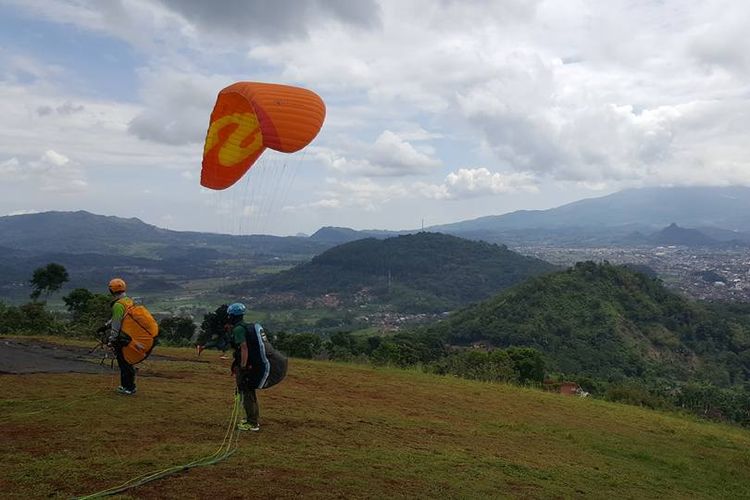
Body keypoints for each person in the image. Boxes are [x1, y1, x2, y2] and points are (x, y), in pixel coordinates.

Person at [227, 302, 267, 432]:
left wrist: (243, 367)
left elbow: (243, 348)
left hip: (246, 366)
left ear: (232, 316)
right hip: (251, 365)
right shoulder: (244, 326)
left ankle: (252, 423)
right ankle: (253, 418)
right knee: (250, 392)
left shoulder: (238, 329)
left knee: (246, 392)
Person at [106, 278, 137, 395]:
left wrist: (111, 340)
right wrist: (106, 325)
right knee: (128, 362)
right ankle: (130, 386)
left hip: (122, 338)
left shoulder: (118, 305)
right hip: (130, 336)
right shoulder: (129, 301)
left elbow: (116, 323)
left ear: (111, 290)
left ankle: (127, 387)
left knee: (124, 363)